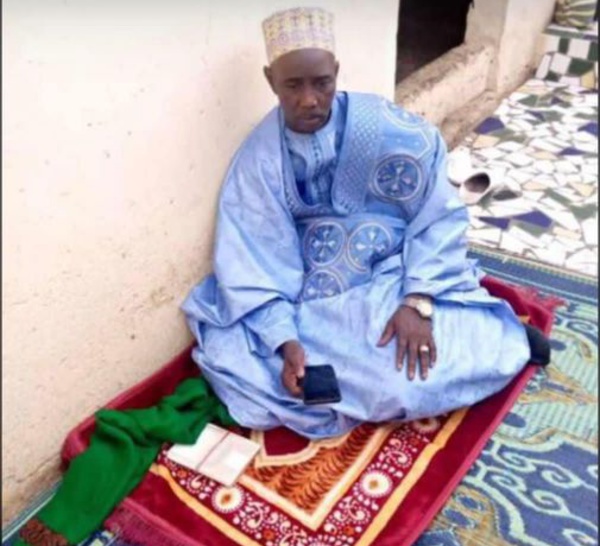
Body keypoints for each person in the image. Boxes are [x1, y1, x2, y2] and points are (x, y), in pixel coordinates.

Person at [182, 7, 544, 439]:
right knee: (356, 378)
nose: (309, 99)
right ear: (270, 80)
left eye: (322, 83)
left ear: (336, 72)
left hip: (395, 271)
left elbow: (438, 216)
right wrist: (286, 341)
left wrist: (416, 304)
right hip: (315, 298)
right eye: (293, 85)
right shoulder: (260, 160)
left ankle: (506, 340)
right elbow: (253, 264)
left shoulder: (389, 127)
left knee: (438, 348)